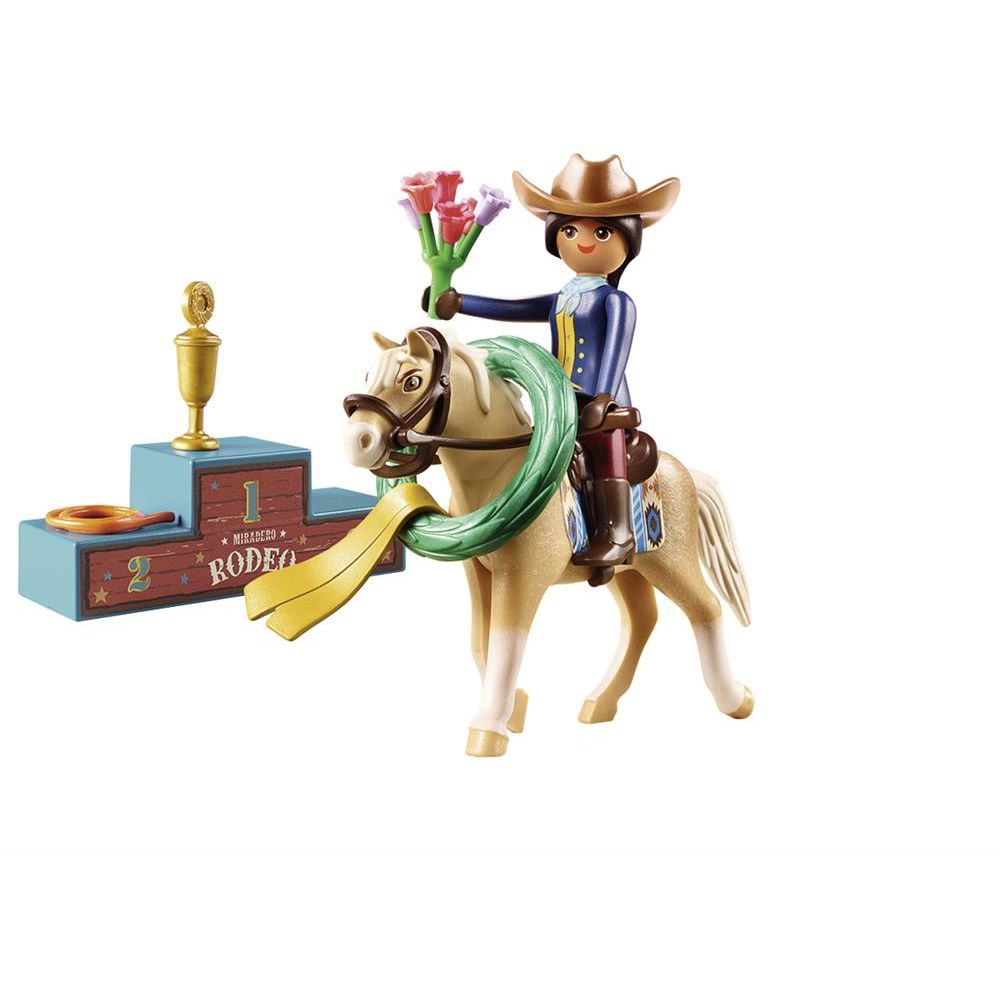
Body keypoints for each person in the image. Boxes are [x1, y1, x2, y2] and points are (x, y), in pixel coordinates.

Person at [426, 154, 679, 570]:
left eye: (601, 232)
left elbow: (616, 351)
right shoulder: (564, 296)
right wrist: (461, 303)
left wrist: (603, 398)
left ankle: (617, 530)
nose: (584, 241)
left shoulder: (616, 301)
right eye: (570, 230)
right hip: (557, 397)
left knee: (602, 444)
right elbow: (515, 308)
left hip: (603, 400)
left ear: (627, 240)